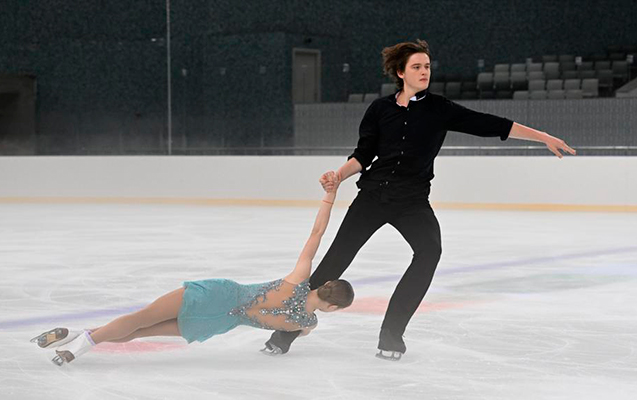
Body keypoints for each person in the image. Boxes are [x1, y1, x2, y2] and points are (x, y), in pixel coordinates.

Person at [262, 39, 577, 361]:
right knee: (334, 262)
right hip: (373, 196)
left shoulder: (440, 109)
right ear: (401, 72)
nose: (424, 71)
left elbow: (491, 124)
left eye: (427, 66)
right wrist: (338, 176)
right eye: (417, 67)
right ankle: (284, 334)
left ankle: (391, 335)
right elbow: (363, 154)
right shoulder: (379, 109)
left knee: (429, 251)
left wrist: (543, 137)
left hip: (412, 201)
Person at [31, 172, 354, 366]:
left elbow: (317, 234)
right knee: (140, 332)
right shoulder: (305, 323)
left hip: (218, 295)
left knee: (140, 318)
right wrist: (308, 324)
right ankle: (75, 337)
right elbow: (305, 328)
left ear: (325, 285)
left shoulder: (298, 280)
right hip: (219, 322)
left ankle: (79, 344)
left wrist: (330, 195)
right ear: (333, 307)